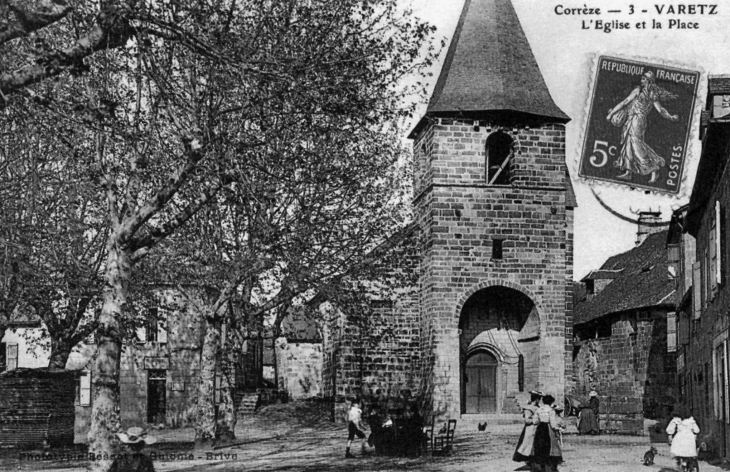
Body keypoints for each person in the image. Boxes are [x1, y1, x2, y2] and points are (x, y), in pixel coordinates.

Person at [605, 70, 679, 183]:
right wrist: (611, 114)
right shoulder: (639, 91)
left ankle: (654, 169)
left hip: (638, 120)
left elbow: (660, 109)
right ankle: (628, 172)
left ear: (649, 81)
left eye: (644, 78)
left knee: (636, 143)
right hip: (632, 119)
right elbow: (624, 102)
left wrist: (670, 117)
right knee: (628, 143)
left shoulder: (650, 94)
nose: (641, 79)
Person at [531, 394, 566, 472]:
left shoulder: (539, 409)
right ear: (550, 402)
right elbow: (553, 424)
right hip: (547, 428)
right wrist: (560, 429)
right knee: (548, 447)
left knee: (539, 446)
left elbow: (534, 421)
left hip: (540, 429)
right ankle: (548, 467)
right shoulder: (551, 410)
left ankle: (539, 467)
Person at [513, 390, 543, 468]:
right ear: (536, 399)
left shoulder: (538, 407)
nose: (539, 400)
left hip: (538, 429)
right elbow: (527, 420)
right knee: (529, 445)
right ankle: (531, 461)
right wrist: (534, 421)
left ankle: (535, 461)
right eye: (539, 399)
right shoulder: (528, 408)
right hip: (531, 430)